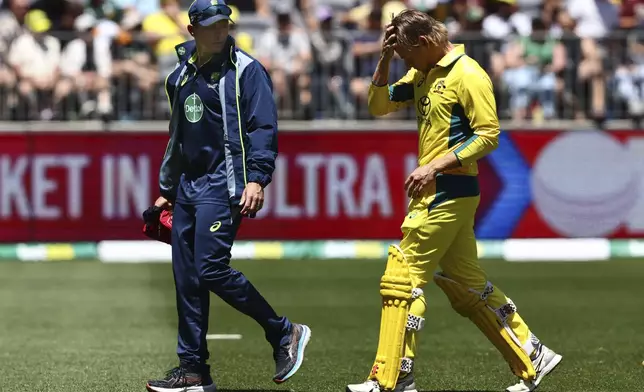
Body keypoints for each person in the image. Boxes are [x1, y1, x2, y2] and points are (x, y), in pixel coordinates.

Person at [346, 10, 561, 392]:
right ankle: (533, 352)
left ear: (425, 42)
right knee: (468, 285)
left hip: (448, 189)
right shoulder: (422, 73)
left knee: (402, 278)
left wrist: (434, 166)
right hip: (441, 191)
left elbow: (489, 135)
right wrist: (384, 59)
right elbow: (378, 106)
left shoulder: (468, 74)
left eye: (406, 53)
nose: (404, 62)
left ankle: (391, 379)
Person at [144, 1, 311, 391]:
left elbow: (263, 128)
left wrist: (258, 178)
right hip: (188, 187)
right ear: (192, 30)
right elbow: (178, 139)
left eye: (225, 25)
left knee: (210, 268)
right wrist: (167, 190)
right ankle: (193, 371)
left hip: (226, 184)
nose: (221, 32)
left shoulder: (248, 71)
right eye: (212, 26)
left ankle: (283, 332)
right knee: (187, 279)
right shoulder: (179, 77)